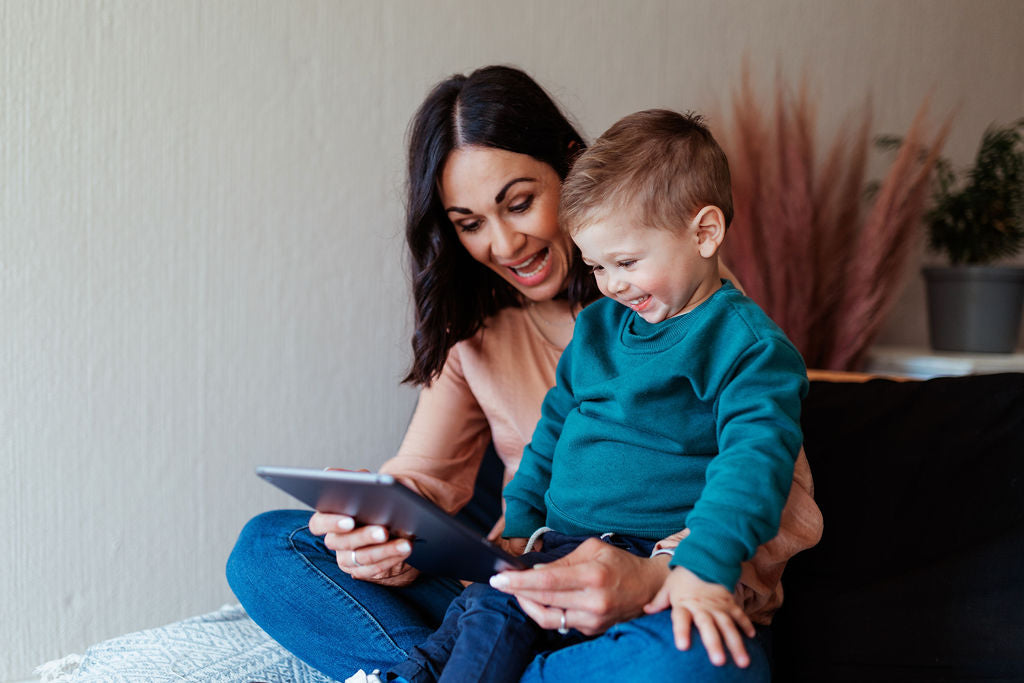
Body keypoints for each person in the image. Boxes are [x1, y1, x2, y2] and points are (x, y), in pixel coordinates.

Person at [226, 66, 823, 682]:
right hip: (531, 575)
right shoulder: (493, 333)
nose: (505, 244)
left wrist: (658, 573)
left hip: (659, 585)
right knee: (269, 547)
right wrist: (374, 533)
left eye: (519, 204)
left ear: (569, 170)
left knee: (700, 660)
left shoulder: (698, 307)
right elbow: (431, 478)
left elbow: (770, 490)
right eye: (469, 223)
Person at [380, 109, 807, 683]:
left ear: (704, 232)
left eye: (626, 262)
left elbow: (754, 467)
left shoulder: (748, 347)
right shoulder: (599, 328)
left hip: (653, 564)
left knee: (701, 653)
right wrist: (519, 524)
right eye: (596, 266)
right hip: (558, 548)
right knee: (487, 606)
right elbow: (550, 434)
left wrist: (699, 567)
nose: (611, 285)